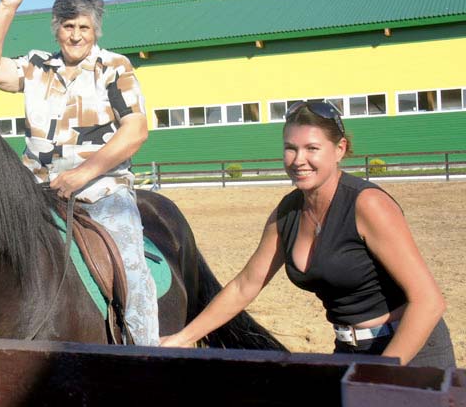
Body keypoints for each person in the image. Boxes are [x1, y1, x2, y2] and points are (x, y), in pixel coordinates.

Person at [160, 101, 456, 368]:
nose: (299, 159)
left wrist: (384, 373)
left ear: (339, 149)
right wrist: (184, 337)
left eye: (312, 148)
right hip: (349, 351)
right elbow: (244, 286)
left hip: (411, 351)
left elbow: (429, 301)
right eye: (291, 148)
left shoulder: (367, 205)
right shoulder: (287, 213)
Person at [0, 0, 159, 346]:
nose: (76, 35)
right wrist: (7, 7)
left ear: (96, 30)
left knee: (132, 270)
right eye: (68, 26)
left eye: (84, 27)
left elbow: (135, 130)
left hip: (102, 191)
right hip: (35, 193)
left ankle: (146, 357)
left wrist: (83, 174)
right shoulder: (36, 66)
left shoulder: (115, 68)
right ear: (56, 28)